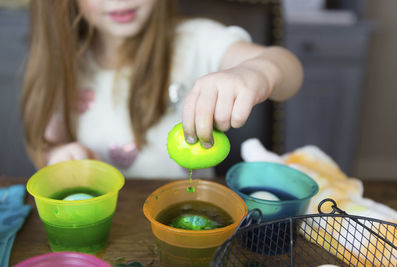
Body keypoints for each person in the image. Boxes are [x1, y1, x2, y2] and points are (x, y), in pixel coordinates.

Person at [22, 0, 303, 179]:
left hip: (188, 214)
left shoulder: (196, 40)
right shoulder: (63, 63)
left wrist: (258, 72)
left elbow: (288, 68)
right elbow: (49, 144)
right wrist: (58, 156)